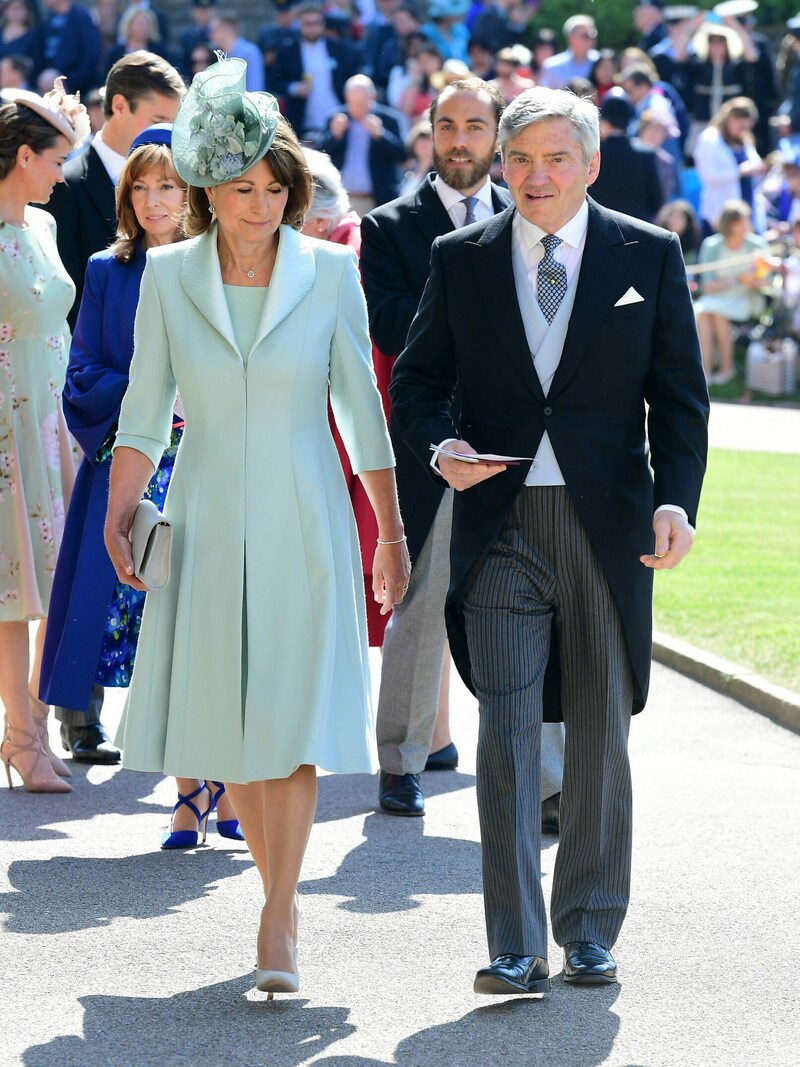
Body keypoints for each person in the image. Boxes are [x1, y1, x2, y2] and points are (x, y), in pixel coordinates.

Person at [390, 86, 709, 994]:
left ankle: (591, 927)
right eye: (520, 158)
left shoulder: (648, 253)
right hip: (498, 530)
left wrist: (678, 502)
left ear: (592, 164)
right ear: (501, 165)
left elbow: (681, 400)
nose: (536, 175)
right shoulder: (461, 259)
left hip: (608, 532)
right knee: (508, 736)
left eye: (556, 158)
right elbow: (416, 386)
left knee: (601, 736)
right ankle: (515, 942)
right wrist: (438, 445)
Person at [104, 57, 409, 996]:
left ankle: (278, 917)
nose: (263, 203)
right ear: (207, 187)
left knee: (291, 719)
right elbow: (146, 410)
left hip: (307, 511)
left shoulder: (329, 270)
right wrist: (121, 511)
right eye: (244, 188)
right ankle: (278, 902)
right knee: (231, 724)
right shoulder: (166, 276)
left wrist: (389, 535)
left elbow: (363, 410)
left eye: (277, 188)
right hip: (201, 510)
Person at [361, 77, 565, 822]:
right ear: (428, 133)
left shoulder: (535, 218)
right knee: (419, 606)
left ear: (498, 139)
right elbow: (394, 332)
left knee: (537, 609)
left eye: (474, 126)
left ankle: (546, 781)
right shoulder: (387, 228)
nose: (458, 139)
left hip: (523, 448)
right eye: (446, 125)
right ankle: (401, 763)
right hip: (435, 445)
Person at [0, 79, 89, 792]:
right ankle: (21, 736)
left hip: (51, 414)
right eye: (56, 158)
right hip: (4, 419)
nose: (64, 171)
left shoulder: (45, 225)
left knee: (45, 581)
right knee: (11, 585)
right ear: (24, 156)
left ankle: (28, 727)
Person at [695, 198, 770, 383]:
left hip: (747, 300)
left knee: (713, 312)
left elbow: (766, 281)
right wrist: (736, 279)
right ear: (730, 224)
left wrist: (751, 280)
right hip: (715, 300)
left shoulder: (757, 245)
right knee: (706, 314)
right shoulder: (711, 245)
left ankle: (726, 368)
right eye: (741, 221)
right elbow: (707, 286)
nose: (747, 225)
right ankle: (706, 371)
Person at [317, 74, 406, 213]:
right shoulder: (336, 118)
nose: (357, 108)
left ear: (372, 97)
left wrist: (381, 135)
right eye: (352, 102)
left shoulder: (389, 119)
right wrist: (334, 136)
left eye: (361, 103)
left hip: (376, 201)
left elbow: (403, 155)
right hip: (341, 200)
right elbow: (319, 155)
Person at [270, 3, 357, 143]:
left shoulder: (338, 49)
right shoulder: (288, 52)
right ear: (299, 24)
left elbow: (351, 77)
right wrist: (294, 88)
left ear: (323, 25)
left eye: (316, 23)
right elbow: (274, 81)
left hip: (337, 119)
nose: (312, 28)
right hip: (303, 123)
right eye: (307, 23)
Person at [693, 95, 765, 236]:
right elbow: (707, 176)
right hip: (719, 213)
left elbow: (754, 165)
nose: (743, 130)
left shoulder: (745, 139)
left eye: (747, 127)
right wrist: (739, 172)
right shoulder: (709, 139)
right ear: (730, 118)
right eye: (740, 126)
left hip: (746, 210)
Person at [590, 93, 663, 223]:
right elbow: (656, 202)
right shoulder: (646, 155)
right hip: (638, 230)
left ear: (604, 122)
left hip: (600, 228)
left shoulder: (593, 154)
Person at [38, 0, 101, 96]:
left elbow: (90, 55)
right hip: (49, 82)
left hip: (73, 87)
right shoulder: (49, 18)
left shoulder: (82, 18)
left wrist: (69, 83)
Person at [538, 15, 599, 91]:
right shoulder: (552, 66)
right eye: (585, 36)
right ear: (571, 38)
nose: (591, 39)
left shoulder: (600, 62)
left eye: (593, 35)